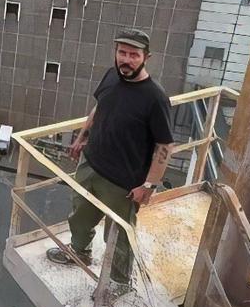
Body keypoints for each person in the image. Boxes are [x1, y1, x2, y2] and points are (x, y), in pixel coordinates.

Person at [46, 28, 174, 293]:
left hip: (123, 182)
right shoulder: (111, 75)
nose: (126, 60)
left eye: (133, 55)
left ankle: (119, 282)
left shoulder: (155, 98)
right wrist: (82, 136)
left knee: (117, 235)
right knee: (80, 214)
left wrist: (149, 185)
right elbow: (99, 107)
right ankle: (79, 251)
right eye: (122, 53)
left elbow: (164, 145)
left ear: (146, 58)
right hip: (91, 164)